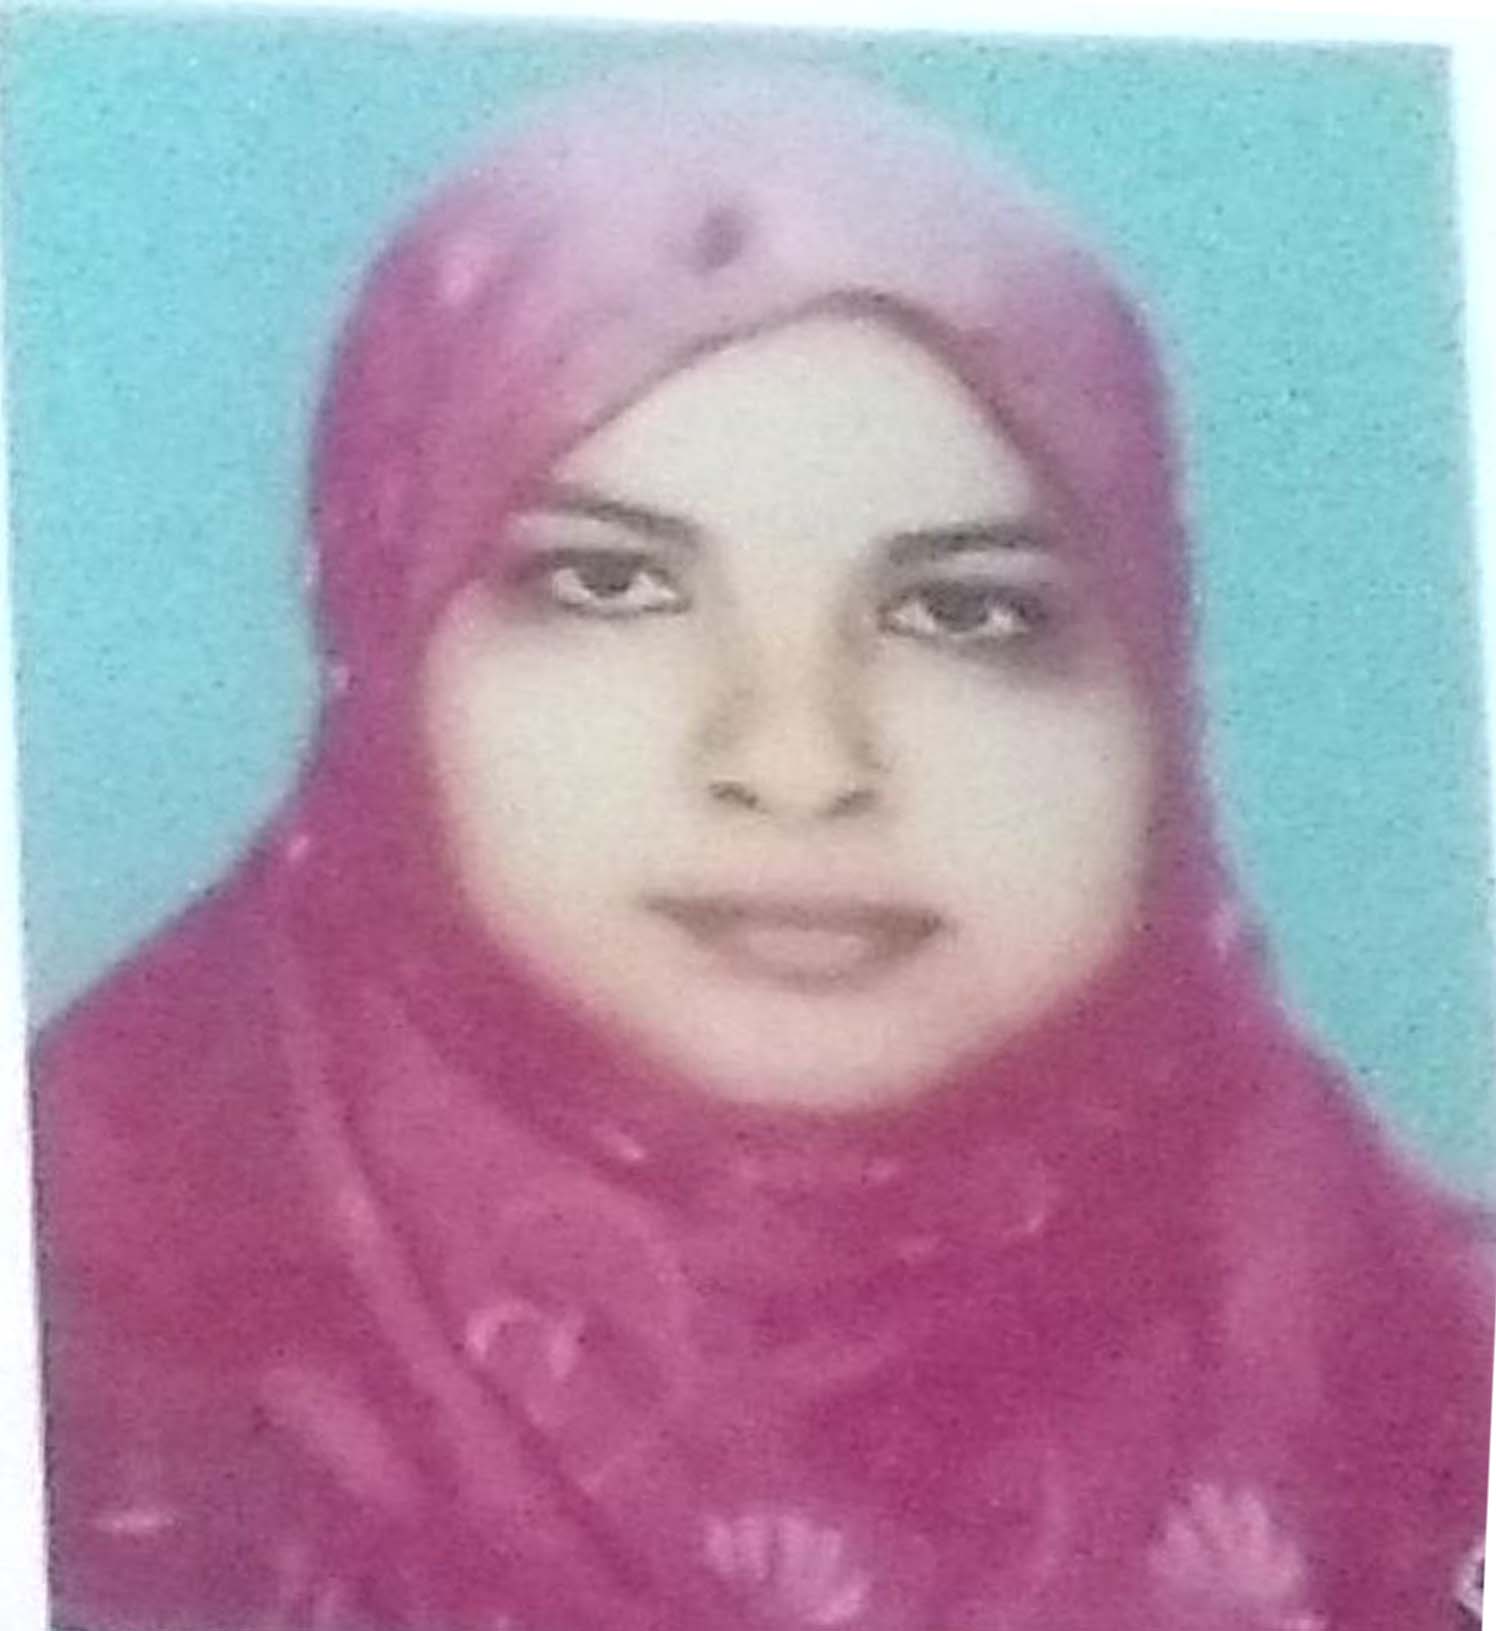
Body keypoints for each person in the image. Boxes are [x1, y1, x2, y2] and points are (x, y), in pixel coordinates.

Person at [33, 64, 1492, 1631]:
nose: (798, 764)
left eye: (964, 611)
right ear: (380, 656)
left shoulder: (1420, 1386)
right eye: (609, 585)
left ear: (1157, 694)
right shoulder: (82, 1342)